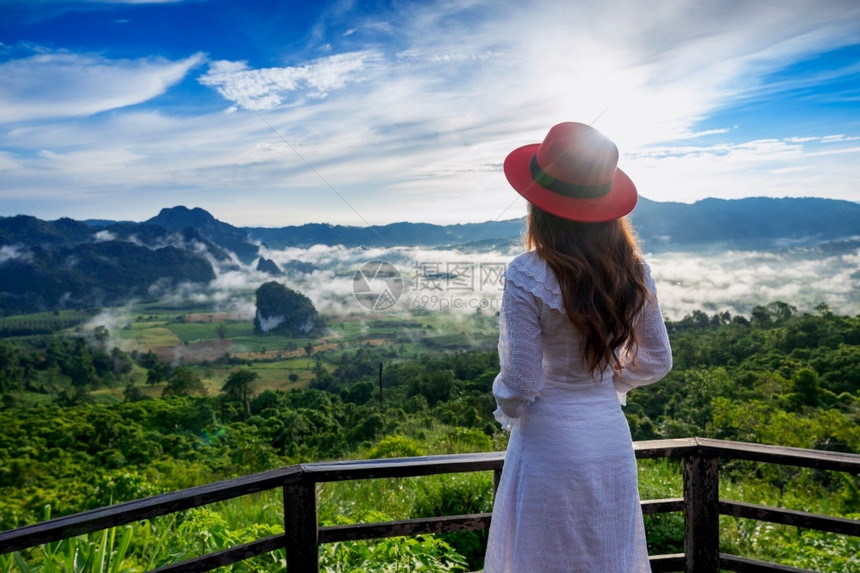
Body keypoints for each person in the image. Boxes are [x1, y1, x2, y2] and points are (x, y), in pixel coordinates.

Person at [483, 122, 673, 573]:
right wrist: (606, 379)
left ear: (541, 207)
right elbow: (657, 360)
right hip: (608, 438)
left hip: (550, 443)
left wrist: (501, 400)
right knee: (609, 554)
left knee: (544, 557)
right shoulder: (635, 269)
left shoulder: (527, 273)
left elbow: (521, 383)